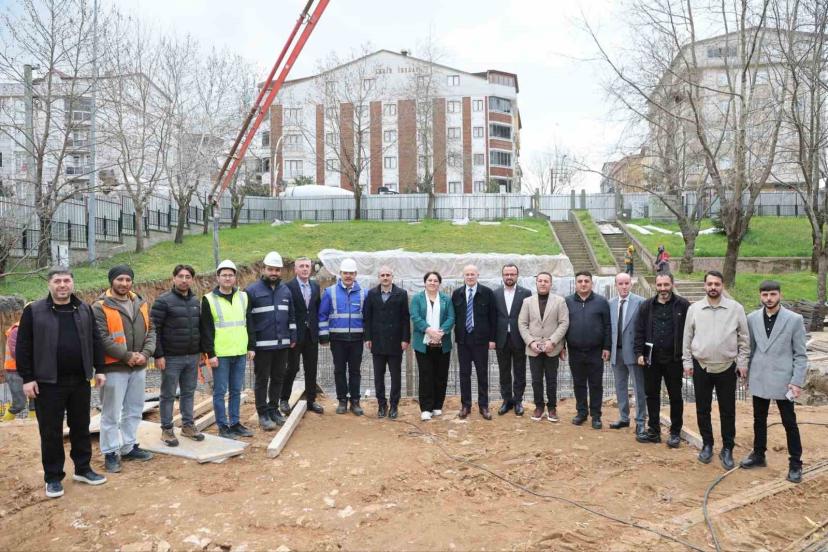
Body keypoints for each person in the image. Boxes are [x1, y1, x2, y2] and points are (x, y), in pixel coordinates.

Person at [16, 268, 107, 498]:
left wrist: (100, 368)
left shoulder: (84, 309)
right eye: (57, 281)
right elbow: (23, 346)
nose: (62, 285)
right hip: (47, 383)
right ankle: (53, 477)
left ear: (73, 284)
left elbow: (96, 340)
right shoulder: (34, 311)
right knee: (50, 431)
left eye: (66, 280)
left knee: (81, 426)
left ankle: (83, 469)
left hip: (79, 380)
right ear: (50, 284)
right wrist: (27, 378)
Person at [740, 280, 807, 484]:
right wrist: (747, 375)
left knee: (789, 422)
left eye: (772, 294)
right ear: (760, 296)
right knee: (759, 419)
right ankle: (759, 454)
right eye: (765, 295)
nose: (769, 298)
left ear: (780, 295)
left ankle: (795, 463)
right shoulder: (752, 318)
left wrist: (796, 381)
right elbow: (750, 349)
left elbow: (800, 355)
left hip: (784, 380)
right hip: (759, 376)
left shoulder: (794, 320)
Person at [92, 265, 156, 473]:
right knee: (111, 413)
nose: (124, 283)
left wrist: (145, 354)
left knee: (134, 409)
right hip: (114, 367)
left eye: (128, 280)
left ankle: (128, 446)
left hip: (138, 366)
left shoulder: (140, 303)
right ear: (112, 281)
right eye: (120, 279)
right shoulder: (100, 306)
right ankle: (111, 451)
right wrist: (127, 356)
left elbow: (151, 331)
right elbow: (102, 338)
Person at [683, 270, 749, 470]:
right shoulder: (694, 309)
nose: (713, 287)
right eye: (710, 284)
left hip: (726, 367)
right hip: (701, 367)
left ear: (722, 286)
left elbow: (744, 339)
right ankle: (707, 444)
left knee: (728, 410)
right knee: (702, 409)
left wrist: (742, 362)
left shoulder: (735, 309)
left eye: (717, 284)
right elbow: (687, 338)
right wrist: (687, 362)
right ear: (705, 286)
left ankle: (727, 448)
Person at [151, 264, 206, 447]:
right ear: (173, 278)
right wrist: (158, 355)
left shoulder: (195, 301)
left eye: (188, 277)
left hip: (192, 356)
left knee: (188, 392)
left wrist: (201, 352)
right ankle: (167, 430)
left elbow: (199, 328)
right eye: (180, 276)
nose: (184, 280)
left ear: (192, 280)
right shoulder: (163, 301)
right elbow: (154, 330)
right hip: (171, 358)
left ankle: (188, 426)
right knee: (168, 394)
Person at [200, 259, 255, 440]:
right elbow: (206, 329)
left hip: (239, 352)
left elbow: (249, 323)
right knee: (220, 392)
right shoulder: (209, 300)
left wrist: (251, 346)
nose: (227, 278)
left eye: (230, 275)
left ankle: (235, 423)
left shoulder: (243, 297)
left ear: (235, 277)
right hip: (221, 354)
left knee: (236, 390)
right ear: (218, 278)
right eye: (224, 275)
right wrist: (210, 354)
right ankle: (223, 426)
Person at [634, 272, 690, 447]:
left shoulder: (683, 305)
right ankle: (654, 431)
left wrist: (687, 357)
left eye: (666, 285)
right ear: (655, 286)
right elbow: (639, 331)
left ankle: (675, 433)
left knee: (675, 396)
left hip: (674, 359)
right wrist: (639, 353)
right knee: (652, 395)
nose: (663, 288)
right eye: (659, 285)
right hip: (652, 359)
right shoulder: (646, 306)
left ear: (672, 284)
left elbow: (690, 331)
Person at [246, 252, 296, 430]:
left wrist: (293, 335)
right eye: (270, 269)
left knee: (278, 377)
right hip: (262, 346)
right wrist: (251, 344)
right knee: (262, 380)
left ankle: (273, 409)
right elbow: (248, 320)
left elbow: (291, 315)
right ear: (263, 269)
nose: (274, 273)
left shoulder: (285, 290)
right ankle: (262, 414)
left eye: (277, 270)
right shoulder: (252, 291)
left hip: (282, 344)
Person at [517, 272, 569, 422]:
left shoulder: (559, 301)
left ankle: (552, 408)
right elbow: (522, 323)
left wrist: (552, 341)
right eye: (540, 281)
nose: (543, 283)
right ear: (536, 283)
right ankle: (539, 406)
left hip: (552, 348)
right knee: (536, 380)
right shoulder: (527, 301)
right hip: (533, 348)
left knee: (551, 379)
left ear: (551, 284)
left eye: (546, 281)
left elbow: (564, 323)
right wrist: (531, 342)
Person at [564, 271, 611, 429]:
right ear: (575, 283)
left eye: (586, 281)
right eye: (580, 281)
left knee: (596, 384)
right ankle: (581, 413)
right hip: (575, 350)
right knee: (579, 383)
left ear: (592, 283)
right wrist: (562, 346)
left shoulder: (601, 302)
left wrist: (607, 346)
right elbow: (562, 325)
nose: (583, 284)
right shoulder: (567, 302)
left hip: (595, 351)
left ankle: (596, 416)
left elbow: (607, 326)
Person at [319, 257, 366, 415]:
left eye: (351, 273)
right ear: (340, 273)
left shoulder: (363, 293)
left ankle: (355, 401)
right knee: (339, 370)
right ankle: (342, 401)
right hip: (337, 339)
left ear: (355, 274)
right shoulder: (330, 292)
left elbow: (367, 317)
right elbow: (322, 315)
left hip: (357, 339)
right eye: (345, 273)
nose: (348, 276)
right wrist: (324, 336)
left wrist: (368, 337)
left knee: (355, 371)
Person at [364, 265, 410, 419]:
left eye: (388, 275)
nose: (385, 277)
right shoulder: (371, 294)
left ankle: (394, 405)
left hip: (395, 342)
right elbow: (367, 318)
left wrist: (405, 339)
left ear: (392, 277)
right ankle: (381, 404)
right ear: (379, 277)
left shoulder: (401, 294)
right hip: (377, 341)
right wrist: (368, 337)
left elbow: (405, 318)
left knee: (396, 376)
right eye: (382, 275)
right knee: (378, 376)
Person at [452, 264, 497, 420]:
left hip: (481, 341)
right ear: (463, 276)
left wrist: (492, 339)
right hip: (463, 341)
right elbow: (453, 316)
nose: (470, 277)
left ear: (478, 275)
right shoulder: (457, 294)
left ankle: (483, 406)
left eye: (472, 274)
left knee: (482, 374)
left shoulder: (487, 293)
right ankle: (466, 405)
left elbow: (493, 318)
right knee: (464, 374)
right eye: (467, 274)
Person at [281, 257, 324, 415]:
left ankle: (311, 400)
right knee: (292, 368)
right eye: (302, 266)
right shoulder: (288, 287)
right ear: (295, 269)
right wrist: (289, 334)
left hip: (311, 334)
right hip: (295, 335)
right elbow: (285, 312)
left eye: (307, 266)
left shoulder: (315, 286)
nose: (305, 269)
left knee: (311, 368)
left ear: (310, 269)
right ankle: (284, 399)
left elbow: (316, 309)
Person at [410, 271, 455, 421]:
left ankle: (437, 405)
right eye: (429, 280)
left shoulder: (446, 299)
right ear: (425, 282)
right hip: (423, 344)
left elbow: (451, 317)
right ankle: (426, 408)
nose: (432, 283)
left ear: (439, 283)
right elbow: (415, 317)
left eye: (435, 281)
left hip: (442, 343)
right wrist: (429, 330)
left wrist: (440, 333)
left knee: (441, 375)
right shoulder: (417, 298)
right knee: (426, 375)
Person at [608, 272, 646, 438]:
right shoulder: (610, 303)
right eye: (620, 284)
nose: (624, 286)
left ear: (631, 284)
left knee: (639, 388)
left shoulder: (640, 302)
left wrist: (642, 352)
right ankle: (624, 417)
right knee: (620, 386)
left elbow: (645, 329)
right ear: (616, 285)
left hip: (634, 352)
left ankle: (640, 421)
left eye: (626, 283)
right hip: (616, 352)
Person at [493, 263, 532, 416]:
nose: (509, 277)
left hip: (519, 338)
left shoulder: (526, 293)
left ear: (517, 276)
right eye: (506, 274)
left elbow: (529, 316)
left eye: (512, 274)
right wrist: (492, 338)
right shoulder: (495, 294)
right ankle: (506, 400)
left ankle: (518, 401)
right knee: (504, 371)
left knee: (520, 371)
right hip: (501, 338)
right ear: (502, 276)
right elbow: (492, 318)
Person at [2, 320, 29, 421]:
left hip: (24, 369)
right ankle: (5, 422)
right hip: (13, 371)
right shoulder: (16, 331)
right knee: (20, 403)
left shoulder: (30, 329)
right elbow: (16, 352)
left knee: (35, 400)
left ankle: (34, 423)